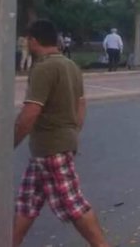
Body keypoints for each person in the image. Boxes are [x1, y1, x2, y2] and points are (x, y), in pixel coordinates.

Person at [12, 19, 109, 247]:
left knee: (74, 205)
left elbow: (30, 113)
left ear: (33, 41)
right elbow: (81, 104)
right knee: (27, 203)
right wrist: (72, 133)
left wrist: (9, 143)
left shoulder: (44, 68)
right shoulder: (70, 65)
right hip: (50, 148)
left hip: (51, 149)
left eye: (28, 40)